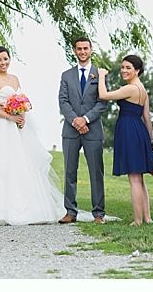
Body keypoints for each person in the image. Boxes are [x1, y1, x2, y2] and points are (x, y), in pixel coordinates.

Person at [0, 46, 66, 225]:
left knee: (21, 162)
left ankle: (30, 208)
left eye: (5, 59)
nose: (3, 63)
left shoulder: (15, 79)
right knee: (1, 163)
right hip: (0, 126)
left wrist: (22, 116)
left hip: (17, 128)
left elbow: (21, 101)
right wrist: (10, 116)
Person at [97, 54, 153, 226]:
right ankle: (147, 217)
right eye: (122, 67)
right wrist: (150, 140)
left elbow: (103, 95)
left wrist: (101, 76)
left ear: (137, 70)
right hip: (139, 131)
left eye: (128, 68)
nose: (124, 70)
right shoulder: (143, 89)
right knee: (139, 178)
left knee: (134, 178)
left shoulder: (131, 89)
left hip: (129, 130)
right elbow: (147, 117)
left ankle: (138, 220)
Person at [57, 36, 107, 224]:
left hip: (92, 130)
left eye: (85, 48)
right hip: (70, 131)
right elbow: (63, 101)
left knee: (96, 172)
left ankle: (99, 213)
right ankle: (70, 211)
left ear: (91, 49)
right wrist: (75, 121)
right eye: (79, 49)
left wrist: (85, 119)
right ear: (74, 51)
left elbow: (102, 102)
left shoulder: (99, 74)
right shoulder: (66, 75)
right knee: (70, 171)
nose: (82, 52)